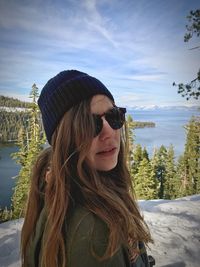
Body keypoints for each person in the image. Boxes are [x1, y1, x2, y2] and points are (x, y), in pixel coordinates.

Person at [21, 70, 154, 267]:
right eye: (89, 124)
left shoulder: (54, 193)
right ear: (65, 140)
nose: (109, 132)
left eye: (114, 116)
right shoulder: (94, 233)